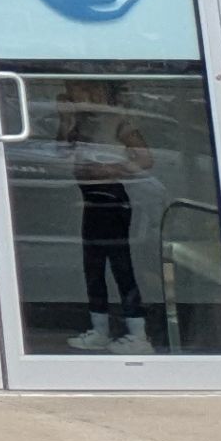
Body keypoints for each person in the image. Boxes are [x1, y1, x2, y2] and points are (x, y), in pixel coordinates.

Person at [57, 79, 158, 351]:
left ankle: (138, 332)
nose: (74, 94)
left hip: (111, 198)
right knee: (93, 265)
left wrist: (112, 169)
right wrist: (65, 120)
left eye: (79, 89)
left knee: (120, 264)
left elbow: (145, 159)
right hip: (91, 198)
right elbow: (62, 152)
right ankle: (99, 328)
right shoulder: (79, 121)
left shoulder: (116, 120)